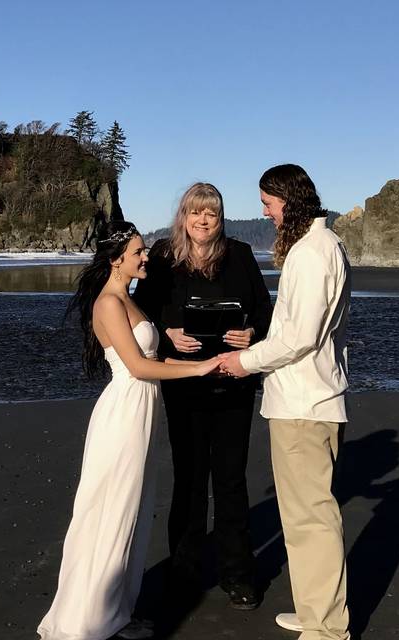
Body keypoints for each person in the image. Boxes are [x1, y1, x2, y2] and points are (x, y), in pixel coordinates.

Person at [38, 221, 222, 640]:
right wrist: (197, 368)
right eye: (138, 252)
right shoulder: (108, 303)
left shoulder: (128, 298)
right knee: (110, 512)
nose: (145, 258)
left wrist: (208, 364)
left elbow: (153, 357)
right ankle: (90, 618)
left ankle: (116, 609)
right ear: (116, 257)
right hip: (123, 413)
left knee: (131, 512)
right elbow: (138, 368)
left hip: (141, 409)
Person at [219, 165, 351, 640]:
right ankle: (316, 611)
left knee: (312, 517)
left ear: (289, 200)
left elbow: (299, 335)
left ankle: (327, 627)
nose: (265, 213)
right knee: (302, 516)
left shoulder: (313, 253)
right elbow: (298, 330)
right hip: (306, 397)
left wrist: (245, 361)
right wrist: (258, 339)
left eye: (268, 204)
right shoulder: (317, 247)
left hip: (304, 403)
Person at [133, 183, 271, 610]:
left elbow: (266, 313)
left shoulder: (241, 255)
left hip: (233, 382)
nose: (203, 220)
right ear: (183, 216)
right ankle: (185, 572)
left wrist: (249, 333)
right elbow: (140, 311)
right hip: (185, 383)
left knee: (230, 480)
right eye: (195, 212)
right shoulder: (163, 259)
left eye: (210, 213)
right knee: (189, 480)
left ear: (220, 217)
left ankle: (238, 575)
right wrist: (168, 331)